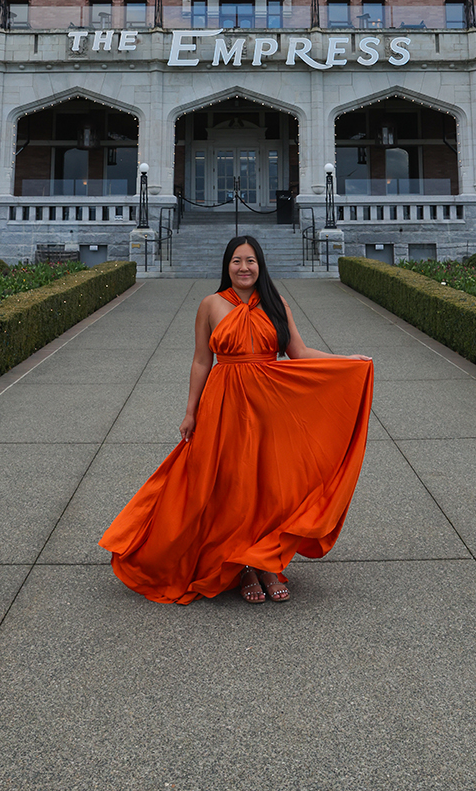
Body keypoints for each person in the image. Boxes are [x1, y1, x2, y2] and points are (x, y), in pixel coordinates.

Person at [99, 235, 374, 605]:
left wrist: (346, 362)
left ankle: (265, 562)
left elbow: (300, 352)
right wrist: (190, 411)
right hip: (224, 403)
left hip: (271, 405)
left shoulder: (276, 304)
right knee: (231, 485)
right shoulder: (210, 304)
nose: (244, 268)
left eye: (251, 261)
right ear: (227, 266)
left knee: (269, 486)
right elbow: (201, 360)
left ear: (260, 265)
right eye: (236, 261)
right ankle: (241, 566)